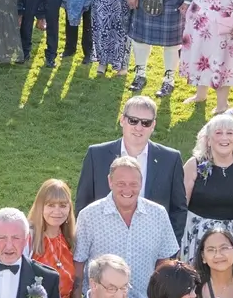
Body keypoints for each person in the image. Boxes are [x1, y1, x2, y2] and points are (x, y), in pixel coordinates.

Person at [77, 95, 189, 241]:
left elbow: (178, 210)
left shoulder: (170, 159)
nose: (138, 127)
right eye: (133, 120)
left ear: (153, 125)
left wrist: (169, 249)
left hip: (152, 244)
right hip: (103, 242)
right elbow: (83, 204)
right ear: (122, 120)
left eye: (146, 123)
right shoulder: (96, 155)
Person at [73, 157, 180, 298]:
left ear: (141, 183)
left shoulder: (158, 214)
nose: (127, 190)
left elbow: (164, 260)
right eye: (121, 184)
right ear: (110, 182)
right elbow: (79, 261)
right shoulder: (89, 215)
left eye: (133, 184)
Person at [181, 113, 233, 268]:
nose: (224, 138)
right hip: (198, 237)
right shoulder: (194, 165)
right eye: (218, 133)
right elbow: (180, 206)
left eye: (229, 133)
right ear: (208, 140)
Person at [25, 178, 77, 298]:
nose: (57, 211)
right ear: (40, 206)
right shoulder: (28, 238)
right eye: (51, 205)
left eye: (63, 205)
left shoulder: (71, 238)